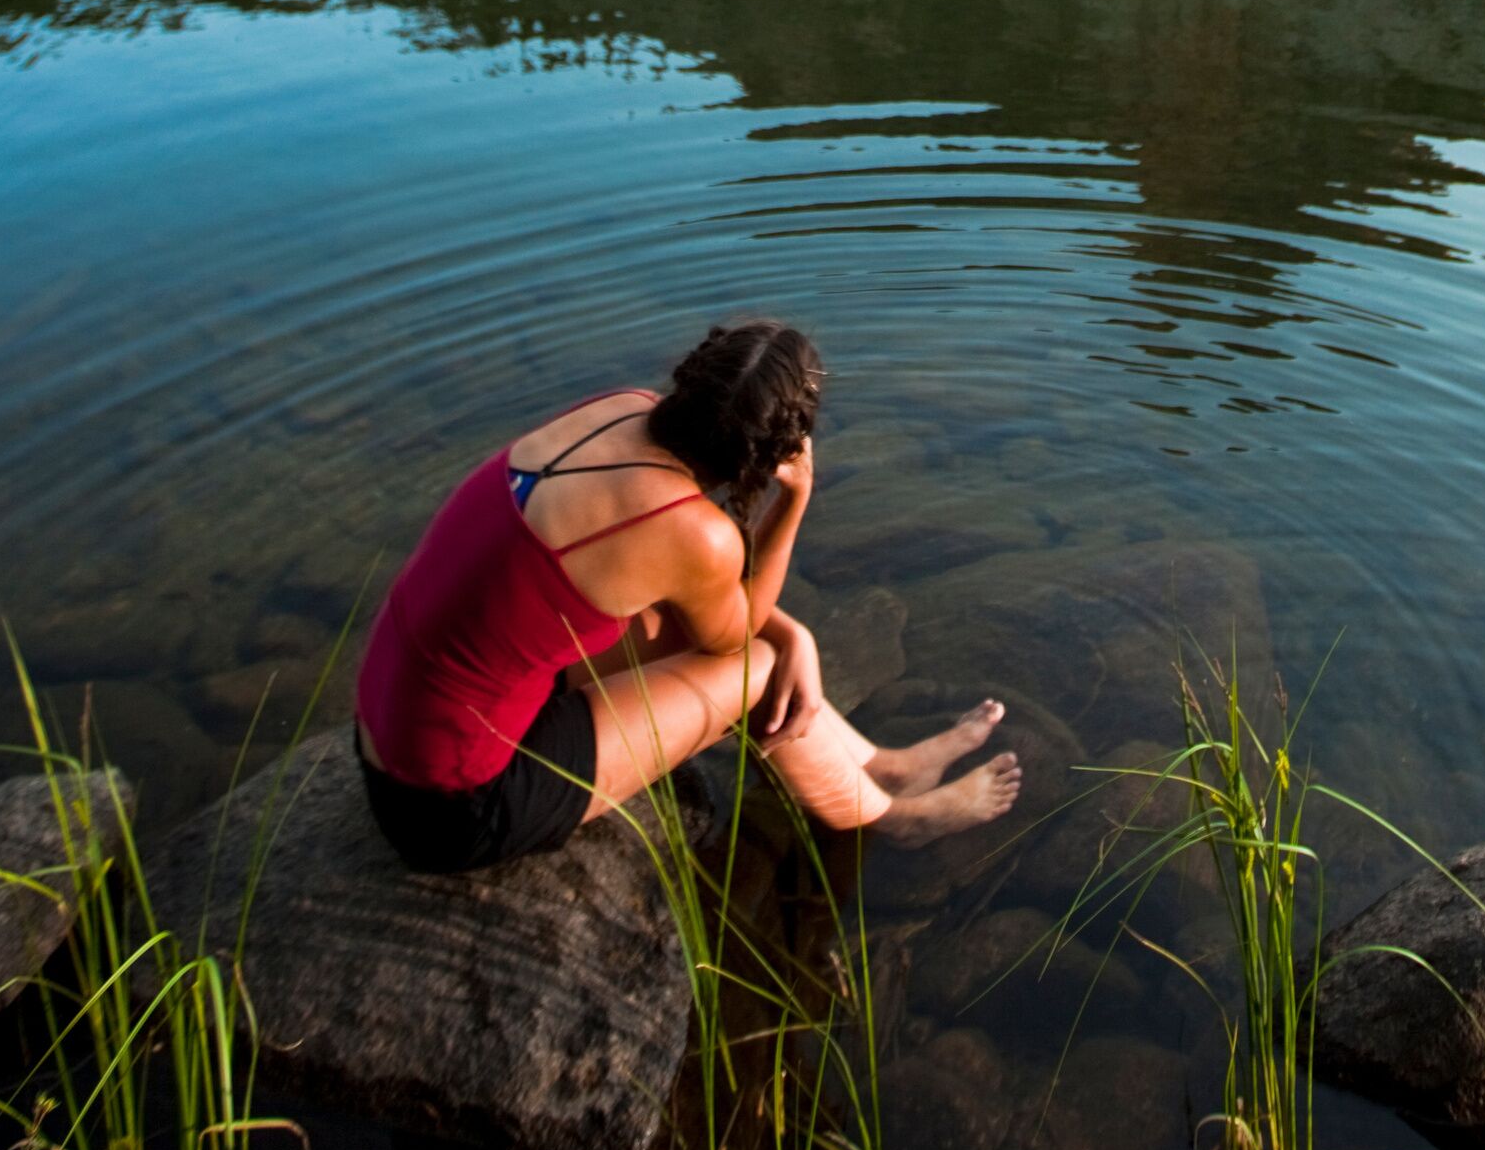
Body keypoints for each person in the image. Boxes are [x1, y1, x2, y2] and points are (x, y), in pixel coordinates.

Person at [354, 317, 1022, 873]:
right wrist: (794, 504)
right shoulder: (690, 534)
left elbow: (703, 598)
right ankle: (900, 819)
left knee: (753, 640)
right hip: (453, 805)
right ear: (777, 450)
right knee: (757, 672)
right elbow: (732, 637)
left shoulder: (618, 409)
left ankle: (884, 765)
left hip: (391, 736)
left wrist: (798, 634)